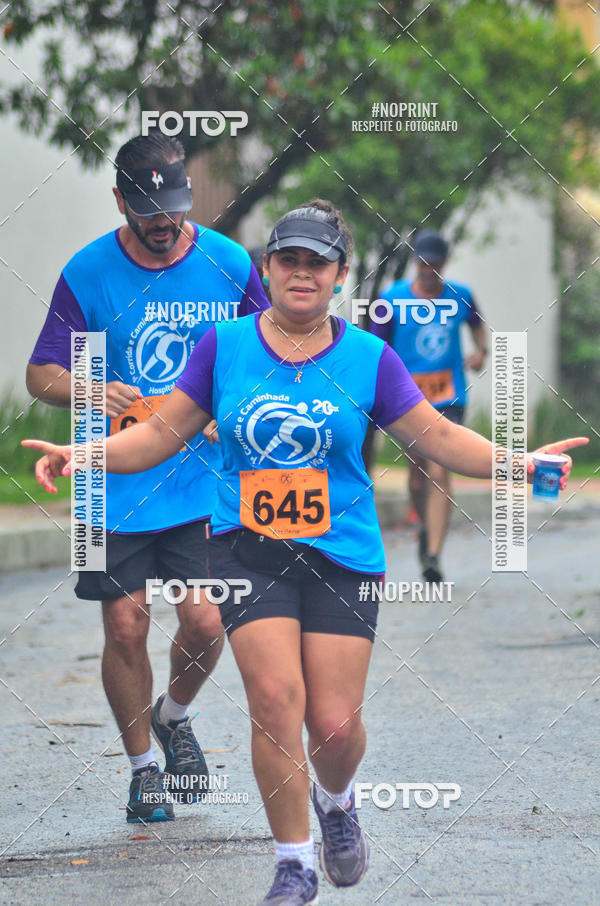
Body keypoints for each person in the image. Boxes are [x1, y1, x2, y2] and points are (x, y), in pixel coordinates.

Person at [24, 200, 587, 904]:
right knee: (274, 700)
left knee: (335, 726)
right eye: (287, 259)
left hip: (341, 553)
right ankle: (293, 864)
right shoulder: (223, 348)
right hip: (245, 550)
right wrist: (84, 454)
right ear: (267, 268)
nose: (301, 273)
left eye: (316, 263)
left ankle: (336, 800)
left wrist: (517, 463)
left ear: (339, 275)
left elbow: (437, 437)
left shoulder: (369, 358)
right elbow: (160, 434)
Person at [25, 132, 269, 822]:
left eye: (174, 207)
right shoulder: (87, 272)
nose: (164, 222)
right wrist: (89, 389)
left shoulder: (228, 263)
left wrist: (234, 408)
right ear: (119, 200)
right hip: (108, 485)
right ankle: (142, 773)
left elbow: (267, 350)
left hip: (203, 480)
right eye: (147, 210)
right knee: (126, 626)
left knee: (207, 619)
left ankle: (174, 715)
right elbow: (39, 374)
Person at [372, 230, 488, 583]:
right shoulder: (392, 298)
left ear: (444, 264)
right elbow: (376, 346)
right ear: (415, 263)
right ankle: (425, 526)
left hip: (449, 396)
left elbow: (478, 326)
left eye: (434, 264)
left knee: (439, 468)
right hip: (407, 399)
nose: (428, 270)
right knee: (418, 473)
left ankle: (433, 556)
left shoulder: (461, 294)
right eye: (422, 263)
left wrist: (481, 352)